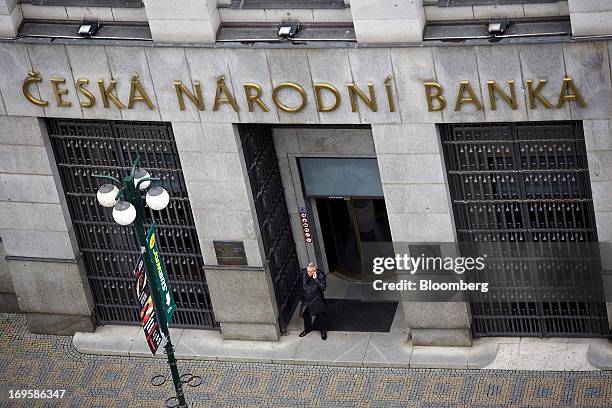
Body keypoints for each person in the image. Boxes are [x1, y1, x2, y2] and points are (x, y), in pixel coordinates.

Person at [299, 262, 328, 340]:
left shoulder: (320, 275)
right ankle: (307, 329)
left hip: (316, 299)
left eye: (310, 272)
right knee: (306, 316)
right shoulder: (303, 273)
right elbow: (300, 286)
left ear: (314, 271)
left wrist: (316, 279)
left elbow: (323, 288)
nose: (308, 273)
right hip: (306, 300)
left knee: (321, 317)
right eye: (308, 271)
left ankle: (323, 331)